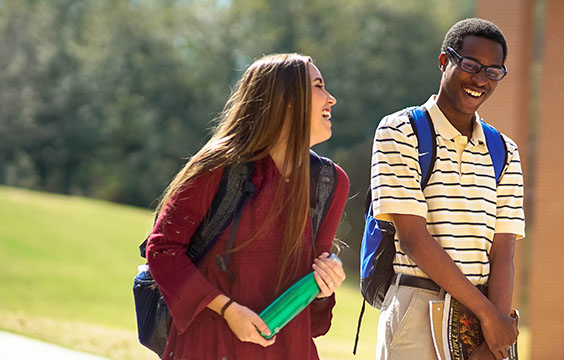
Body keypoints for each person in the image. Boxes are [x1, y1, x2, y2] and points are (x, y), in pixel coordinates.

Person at [146, 53, 349, 360]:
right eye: (319, 86)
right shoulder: (217, 168)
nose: (330, 99)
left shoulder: (330, 182)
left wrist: (325, 285)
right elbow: (163, 250)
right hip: (211, 346)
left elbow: (313, 310)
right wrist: (228, 310)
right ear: (287, 100)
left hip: (289, 350)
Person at [370, 18, 525, 360]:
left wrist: (494, 340)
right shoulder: (400, 130)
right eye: (471, 66)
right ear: (444, 61)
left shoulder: (505, 151)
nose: (481, 80)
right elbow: (413, 238)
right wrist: (488, 315)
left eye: (493, 71)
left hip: (484, 319)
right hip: (417, 306)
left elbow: (503, 253)